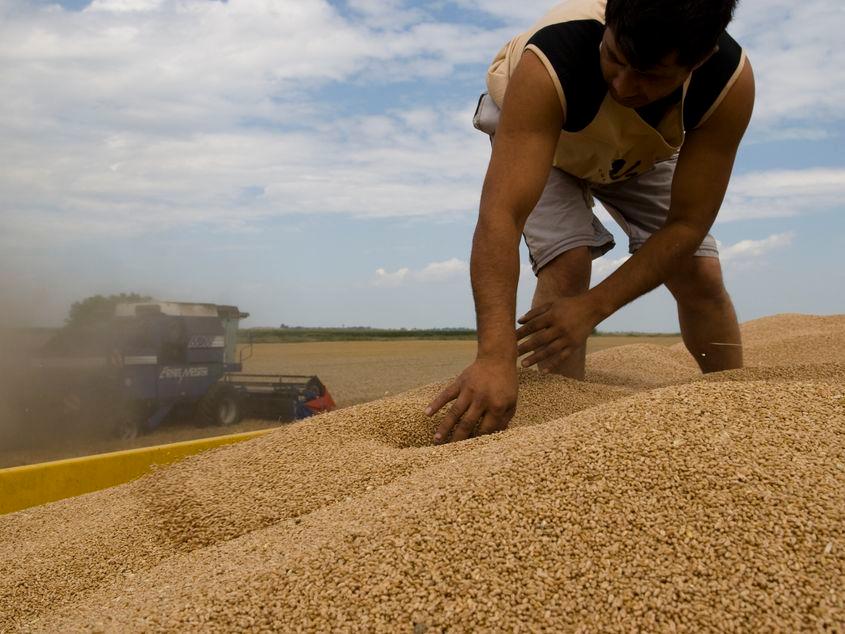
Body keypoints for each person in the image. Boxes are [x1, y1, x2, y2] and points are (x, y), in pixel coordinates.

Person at [425, 0, 755, 444]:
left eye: (650, 75)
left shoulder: (727, 84)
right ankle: (559, 432)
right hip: (544, 132)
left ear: (700, 60)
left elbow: (686, 226)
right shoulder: (552, 61)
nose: (623, 85)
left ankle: (738, 407)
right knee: (567, 263)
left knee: (699, 270)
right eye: (614, 58)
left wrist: (594, 308)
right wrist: (494, 355)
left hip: (639, 150)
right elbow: (501, 213)